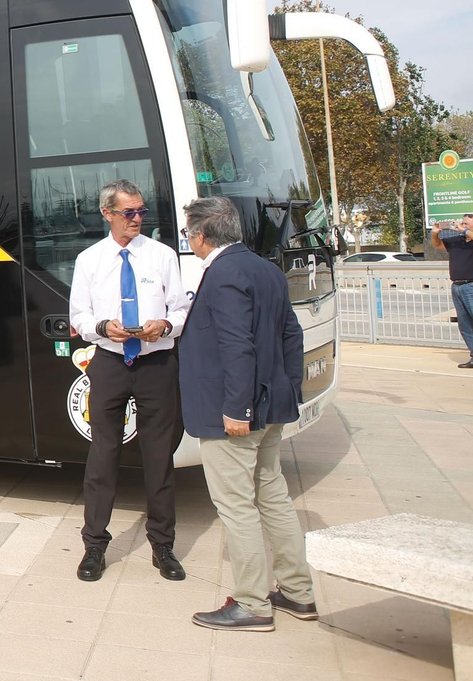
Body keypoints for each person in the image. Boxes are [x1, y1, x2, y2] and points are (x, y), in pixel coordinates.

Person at [178, 196, 317, 631]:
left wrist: (237, 408)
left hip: (234, 414)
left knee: (236, 506)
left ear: (201, 235)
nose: (189, 240)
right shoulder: (265, 268)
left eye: (188, 233)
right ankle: (298, 593)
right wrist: (287, 390)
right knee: (272, 497)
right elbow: (291, 334)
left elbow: (237, 345)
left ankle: (253, 603)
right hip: (269, 405)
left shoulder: (222, 274)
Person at [67, 179, 190, 583]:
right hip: (110, 362)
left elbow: (181, 308)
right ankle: (94, 548)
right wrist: (103, 326)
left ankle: (163, 545)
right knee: (103, 456)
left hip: (156, 364)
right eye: (129, 213)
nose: (137, 219)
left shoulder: (162, 255)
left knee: (159, 457)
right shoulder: (89, 259)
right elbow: (79, 317)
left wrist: (165, 325)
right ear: (108, 214)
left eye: (141, 212)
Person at [429, 214, 473, 369]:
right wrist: (435, 233)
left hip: (471, 285)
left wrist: (463, 231)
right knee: (465, 323)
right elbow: (438, 245)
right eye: (462, 223)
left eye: (466, 223)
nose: (462, 225)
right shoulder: (457, 241)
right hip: (457, 286)